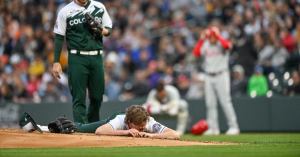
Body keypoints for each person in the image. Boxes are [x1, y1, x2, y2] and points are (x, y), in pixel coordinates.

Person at [52, 0, 112, 123]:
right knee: (79, 97)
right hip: (77, 58)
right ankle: (81, 128)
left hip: (96, 57)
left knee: (97, 96)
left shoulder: (99, 7)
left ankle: (93, 124)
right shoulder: (65, 11)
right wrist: (56, 61)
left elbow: (108, 30)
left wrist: (100, 29)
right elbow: (59, 36)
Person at [19, 105, 180, 140]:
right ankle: (38, 126)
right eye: (138, 126)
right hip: (112, 121)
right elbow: (99, 132)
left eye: (143, 124)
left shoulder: (149, 122)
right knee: (78, 128)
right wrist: (126, 132)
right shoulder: (119, 120)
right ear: (129, 122)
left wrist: (147, 134)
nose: (142, 127)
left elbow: (175, 134)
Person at [193, 26, 240, 135]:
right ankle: (213, 128)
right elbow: (196, 53)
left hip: (221, 74)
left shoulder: (222, 43)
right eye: (210, 36)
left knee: (225, 102)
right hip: (209, 76)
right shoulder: (206, 44)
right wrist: (201, 39)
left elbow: (227, 46)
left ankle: (234, 127)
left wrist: (218, 36)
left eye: (213, 36)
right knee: (210, 103)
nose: (211, 38)